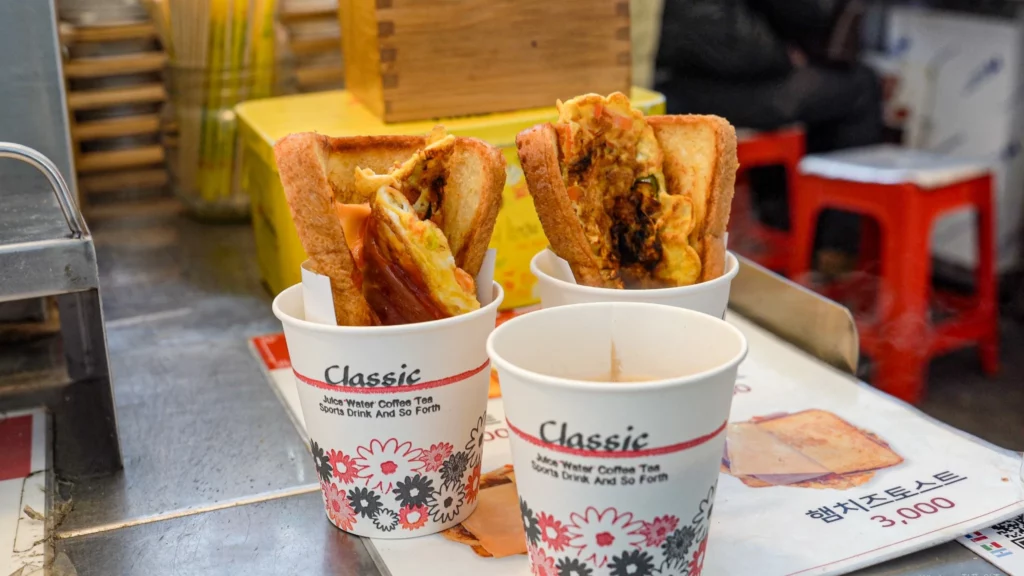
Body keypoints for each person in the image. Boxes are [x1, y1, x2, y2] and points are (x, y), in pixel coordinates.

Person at [655, 0, 881, 271]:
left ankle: (783, 224)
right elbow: (739, 47)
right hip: (698, 85)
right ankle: (832, 249)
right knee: (859, 86)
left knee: (822, 86)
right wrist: (788, 56)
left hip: (667, 79)